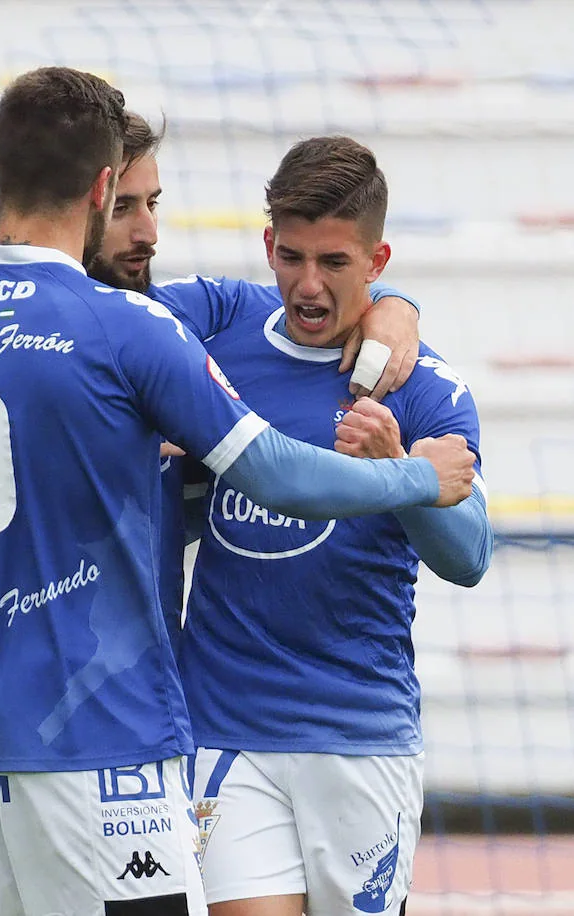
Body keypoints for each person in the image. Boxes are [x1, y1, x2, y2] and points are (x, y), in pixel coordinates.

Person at [0, 67, 476, 916]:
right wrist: (414, 475)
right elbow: (277, 472)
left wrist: (394, 306)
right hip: (104, 740)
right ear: (102, 188)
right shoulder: (132, 332)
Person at [176, 137, 491, 916]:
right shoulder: (214, 355)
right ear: (267, 245)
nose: (308, 285)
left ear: (378, 258)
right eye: (291, 257)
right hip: (227, 728)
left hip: (357, 734)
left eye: (335, 263)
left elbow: (470, 556)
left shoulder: (422, 386)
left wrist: (398, 479)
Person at [85, 112, 425, 640]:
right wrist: (418, 479)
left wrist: (389, 302)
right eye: (122, 207)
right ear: (73, 204)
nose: (149, 233)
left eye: (152, 203)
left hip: (152, 694)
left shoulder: (171, 316)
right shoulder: (5, 339)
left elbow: (295, 302)